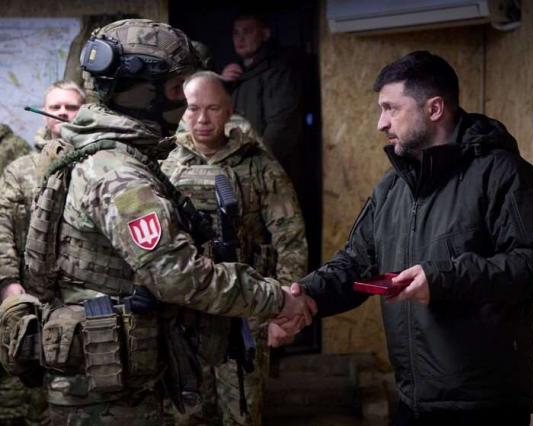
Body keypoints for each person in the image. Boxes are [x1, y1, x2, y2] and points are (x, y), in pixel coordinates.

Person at [0, 19, 313, 425]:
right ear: (138, 94)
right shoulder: (118, 174)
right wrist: (277, 300)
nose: (185, 106)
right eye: (175, 89)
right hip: (109, 396)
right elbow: (178, 274)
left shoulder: (98, 152)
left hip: (111, 381)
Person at [270, 51, 533, 426]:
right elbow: (356, 264)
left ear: (434, 108)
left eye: (391, 109)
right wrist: (306, 296)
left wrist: (441, 279)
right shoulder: (392, 188)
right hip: (413, 399)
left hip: (484, 404)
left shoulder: (504, 175)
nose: (381, 123)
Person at [162, 71, 307, 426]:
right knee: (185, 415)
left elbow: (290, 238)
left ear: (229, 111)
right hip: (182, 315)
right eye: (193, 108)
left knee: (241, 413)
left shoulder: (258, 164)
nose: (202, 119)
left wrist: (282, 310)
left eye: (213, 109)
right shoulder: (165, 162)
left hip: (246, 311)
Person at [0, 80, 85, 426]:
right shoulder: (21, 169)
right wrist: (8, 283)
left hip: (84, 298)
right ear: (45, 113)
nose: (63, 113)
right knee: (31, 391)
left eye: (71, 107)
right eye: (56, 107)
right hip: (32, 296)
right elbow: (2, 225)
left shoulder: (99, 163)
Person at [220, 13, 303, 189]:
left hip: (268, 174)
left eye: (247, 31)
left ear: (265, 34)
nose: (240, 38)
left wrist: (257, 166)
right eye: (236, 33)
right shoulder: (236, 73)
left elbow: (281, 126)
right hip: (240, 171)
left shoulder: (278, 71)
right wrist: (221, 84)